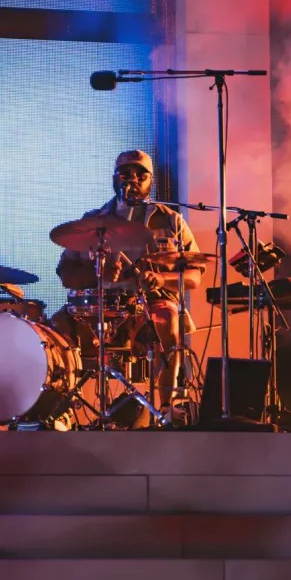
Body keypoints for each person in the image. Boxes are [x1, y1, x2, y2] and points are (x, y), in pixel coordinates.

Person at [52, 149, 204, 416]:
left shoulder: (171, 221)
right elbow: (66, 275)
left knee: (168, 319)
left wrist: (161, 278)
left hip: (152, 302)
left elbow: (193, 276)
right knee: (55, 329)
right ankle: (62, 407)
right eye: (125, 173)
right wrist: (98, 277)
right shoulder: (92, 221)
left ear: (150, 181)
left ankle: (165, 408)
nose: (132, 178)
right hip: (104, 302)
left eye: (140, 174)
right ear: (114, 178)